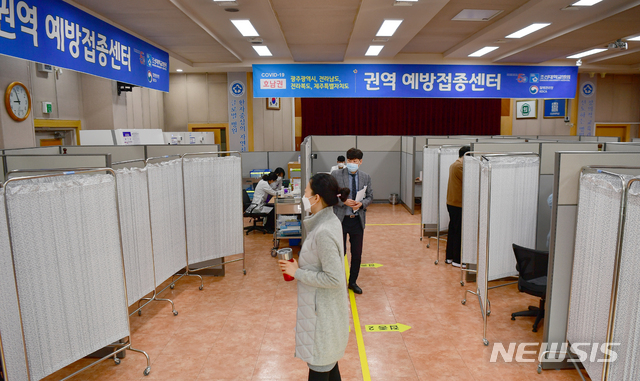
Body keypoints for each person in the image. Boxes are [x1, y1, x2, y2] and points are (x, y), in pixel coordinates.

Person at [279, 173, 350, 381]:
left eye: (306, 192)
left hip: (323, 317)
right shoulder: (327, 221)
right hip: (322, 311)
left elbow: (334, 278)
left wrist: (297, 273)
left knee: (321, 367)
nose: (303, 195)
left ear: (316, 198)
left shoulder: (324, 231)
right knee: (330, 368)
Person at [331, 148, 373, 295]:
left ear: (360, 162)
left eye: (355, 161)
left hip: (357, 221)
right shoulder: (336, 174)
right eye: (349, 161)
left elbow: (370, 196)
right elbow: (330, 195)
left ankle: (353, 282)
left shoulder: (365, 177)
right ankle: (337, 281)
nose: (352, 163)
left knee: (357, 253)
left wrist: (362, 204)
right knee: (338, 252)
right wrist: (344, 202)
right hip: (340, 220)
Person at [445, 145, 470, 267]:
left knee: (453, 230)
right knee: (458, 231)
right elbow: (470, 180)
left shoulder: (455, 164)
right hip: (458, 204)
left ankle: (449, 257)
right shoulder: (460, 166)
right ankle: (457, 260)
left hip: (452, 202)